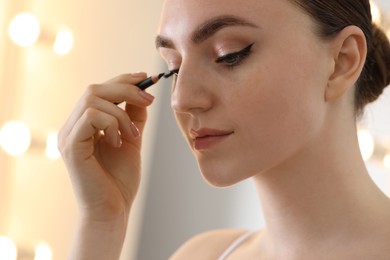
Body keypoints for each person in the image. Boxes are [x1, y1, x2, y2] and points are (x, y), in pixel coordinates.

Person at [58, 0, 390, 259]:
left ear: (342, 61)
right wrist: (102, 223)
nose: (181, 100)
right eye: (173, 68)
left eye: (228, 55)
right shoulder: (202, 256)